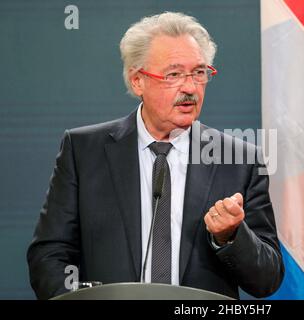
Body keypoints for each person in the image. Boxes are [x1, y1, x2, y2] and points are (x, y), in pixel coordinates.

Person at [27, 12, 284, 300]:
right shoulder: (83, 150)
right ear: (138, 82)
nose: (190, 88)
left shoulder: (239, 160)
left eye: (199, 73)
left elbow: (268, 279)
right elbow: (49, 255)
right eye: (173, 74)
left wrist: (231, 236)